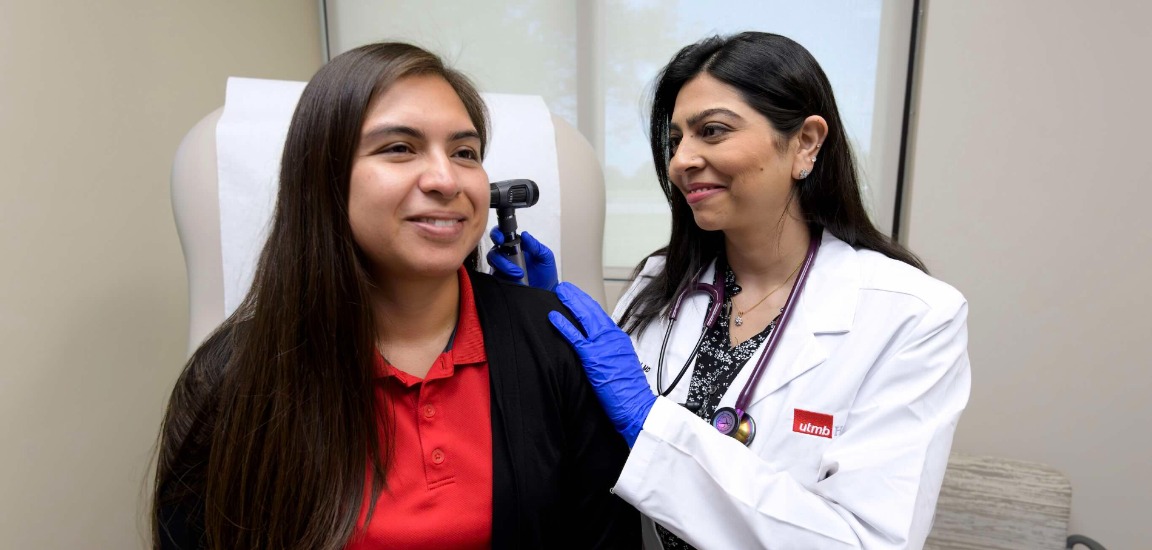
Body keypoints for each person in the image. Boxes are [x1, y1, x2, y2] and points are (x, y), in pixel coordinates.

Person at [490, 32, 971, 549]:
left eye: (712, 131)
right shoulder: (661, 284)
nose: (681, 161)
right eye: (676, 141)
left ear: (806, 143)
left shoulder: (914, 318)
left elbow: (863, 542)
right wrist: (544, 338)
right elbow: (598, 457)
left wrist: (652, 423)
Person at [152, 42, 638, 550]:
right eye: (399, 148)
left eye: (464, 152)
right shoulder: (233, 377)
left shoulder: (557, 347)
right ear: (323, 178)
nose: (446, 179)